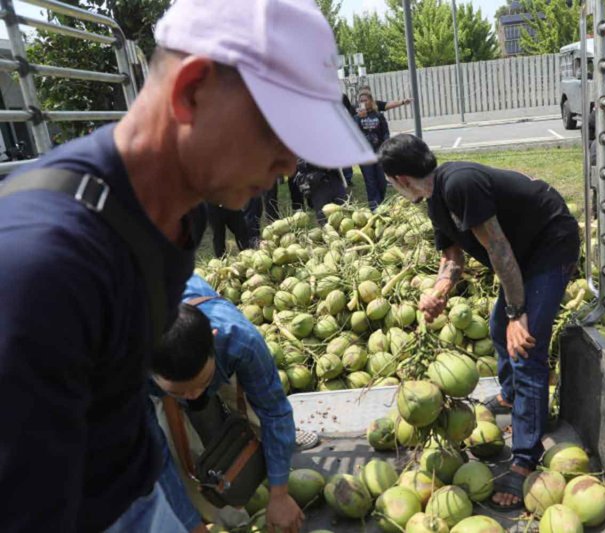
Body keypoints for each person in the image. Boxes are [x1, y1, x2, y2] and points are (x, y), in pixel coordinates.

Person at [0, 0, 374, 530]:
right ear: (192, 90)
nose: (291, 164)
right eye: (279, 134)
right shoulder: (40, 266)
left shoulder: (180, 218)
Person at [378, 134, 579, 510]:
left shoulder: (460, 183)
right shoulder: (436, 200)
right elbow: (453, 259)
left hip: (550, 243)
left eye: (390, 182)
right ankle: (511, 393)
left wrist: (518, 315)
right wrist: (439, 290)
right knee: (494, 331)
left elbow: (498, 248)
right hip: (522, 255)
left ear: (400, 179)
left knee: (525, 347)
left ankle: (524, 461)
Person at [151, 274, 304, 532]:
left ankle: (275, 459)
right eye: (182, 391)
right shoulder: (125, 372)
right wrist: (193, 525)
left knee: (253, 421)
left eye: (201, 382)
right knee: (173, 446)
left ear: (212, 339)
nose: (193, 395)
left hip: (217, 349)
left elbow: (274, 409)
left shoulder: (238, 339)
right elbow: (154, 458)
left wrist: (279, 495)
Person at [355, 90, 391, 210]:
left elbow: (385, 132)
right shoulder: (357, 118)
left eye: (365, 100)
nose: (363, 103)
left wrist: (386, 146)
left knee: (381, 180)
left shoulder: (378, 115)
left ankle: (381, 200)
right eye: (361, 101)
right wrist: (358, 119)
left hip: (379, 153)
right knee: (370, 181)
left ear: (371, 101)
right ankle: (374, 206)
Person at [293, 158, 347, 224]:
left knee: (344, 213)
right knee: (324, 219)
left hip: (334, 179)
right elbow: (300, 163)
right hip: (318, 184)